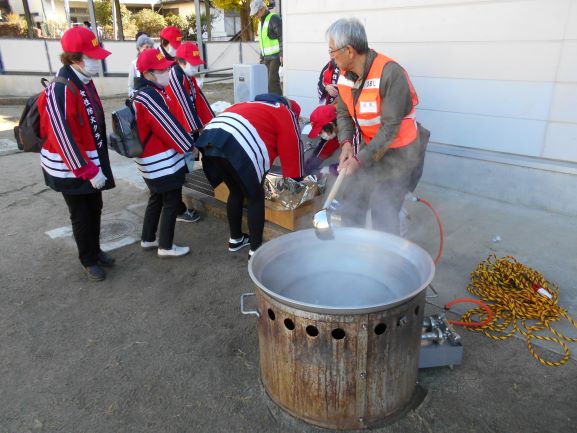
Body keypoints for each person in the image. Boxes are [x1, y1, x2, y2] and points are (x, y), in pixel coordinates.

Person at [326, 17, 429, 235]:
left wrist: (358, 159)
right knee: (352, 200)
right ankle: (353, 251)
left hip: (400, 153)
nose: (332, 58)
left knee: (384, 211)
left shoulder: (390, 74)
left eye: (333, 51)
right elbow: (343, 113)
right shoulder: (345, 77)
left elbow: (390, 129)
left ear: (350, 51)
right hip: (371, 147)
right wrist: (345, 144)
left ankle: (386, 259)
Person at [37, 26, 115, 281]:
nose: (97, 61)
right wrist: (88, 170)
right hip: (70, 166)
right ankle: (88, 259)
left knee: (95, 207)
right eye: (92, 56)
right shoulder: (61, 88)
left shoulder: (83, 80)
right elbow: (62, 135)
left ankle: (96, 249)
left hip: (88, 160)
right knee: (81, 213)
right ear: (74, 59)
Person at [195, 94, 304, 258]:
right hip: (237, 145)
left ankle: (236, 239)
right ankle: (255, 250)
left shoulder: (246, 104)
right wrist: (296, 177)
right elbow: (292, 146)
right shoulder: (283, 111)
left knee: (236, 191)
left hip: (210, 143)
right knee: (255, 196)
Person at [132, 48, 196, 258]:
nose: (167, 72)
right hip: (162, 162)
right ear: (148, 74)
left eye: (167, 67)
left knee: (156, 199)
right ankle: (166, 246)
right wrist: (189, 146)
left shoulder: (141, 93)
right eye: (161, 69)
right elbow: (168, 127)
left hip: (149, 162)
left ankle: (148, 238)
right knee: (170, 201)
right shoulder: (151, 95)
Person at [157, 25, 203, 223]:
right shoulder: (174, 73)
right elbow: (182, 106)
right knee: (177, 171)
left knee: (183, 168)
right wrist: (193, 135)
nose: (196, 67)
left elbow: (197, 100)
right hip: (177, 130)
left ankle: (176, 205)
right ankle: (177, 209)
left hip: (183, 129)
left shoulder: (184, 73)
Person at [250, 0, 283, 95]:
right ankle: (269, 103)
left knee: (272, 82)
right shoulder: (261, 23)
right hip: (265, 58)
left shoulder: (274, 18)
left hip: (275, 56)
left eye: (256, 13)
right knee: (264, 81)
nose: (255, 15)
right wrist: (261, 57)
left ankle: (279, 104)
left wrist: (282, 54)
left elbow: (282, 37)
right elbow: (263, 42)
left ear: (263, 9)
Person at [304, 104, 340, 175]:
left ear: (332, 124)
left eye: (320, 132)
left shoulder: (354, 129)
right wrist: (306, 168)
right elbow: (322, 151)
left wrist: (331, 169)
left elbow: (359, 159)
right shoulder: (332, 132)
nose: (321, 135)